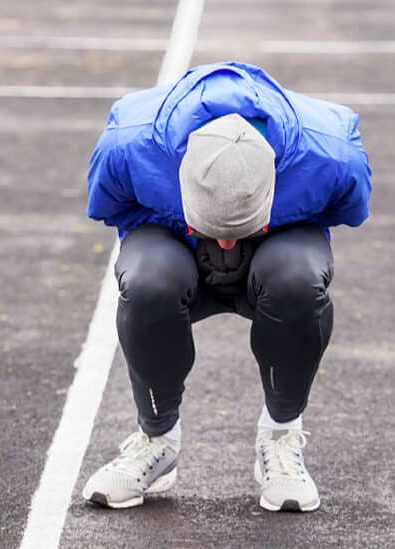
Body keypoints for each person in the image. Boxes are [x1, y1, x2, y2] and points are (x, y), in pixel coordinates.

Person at [81, 61, 371, 512]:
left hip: (276, 241)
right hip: (175, 238)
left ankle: (280, 435)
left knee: (298, 277)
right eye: (216, 227)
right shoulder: (129, 143)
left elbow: (350, 210)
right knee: (147, 280)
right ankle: (156, 439)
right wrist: (183, 229)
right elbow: (110, 207)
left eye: (235, 227)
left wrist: (273, 229)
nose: (226, 244)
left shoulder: (330, 153)